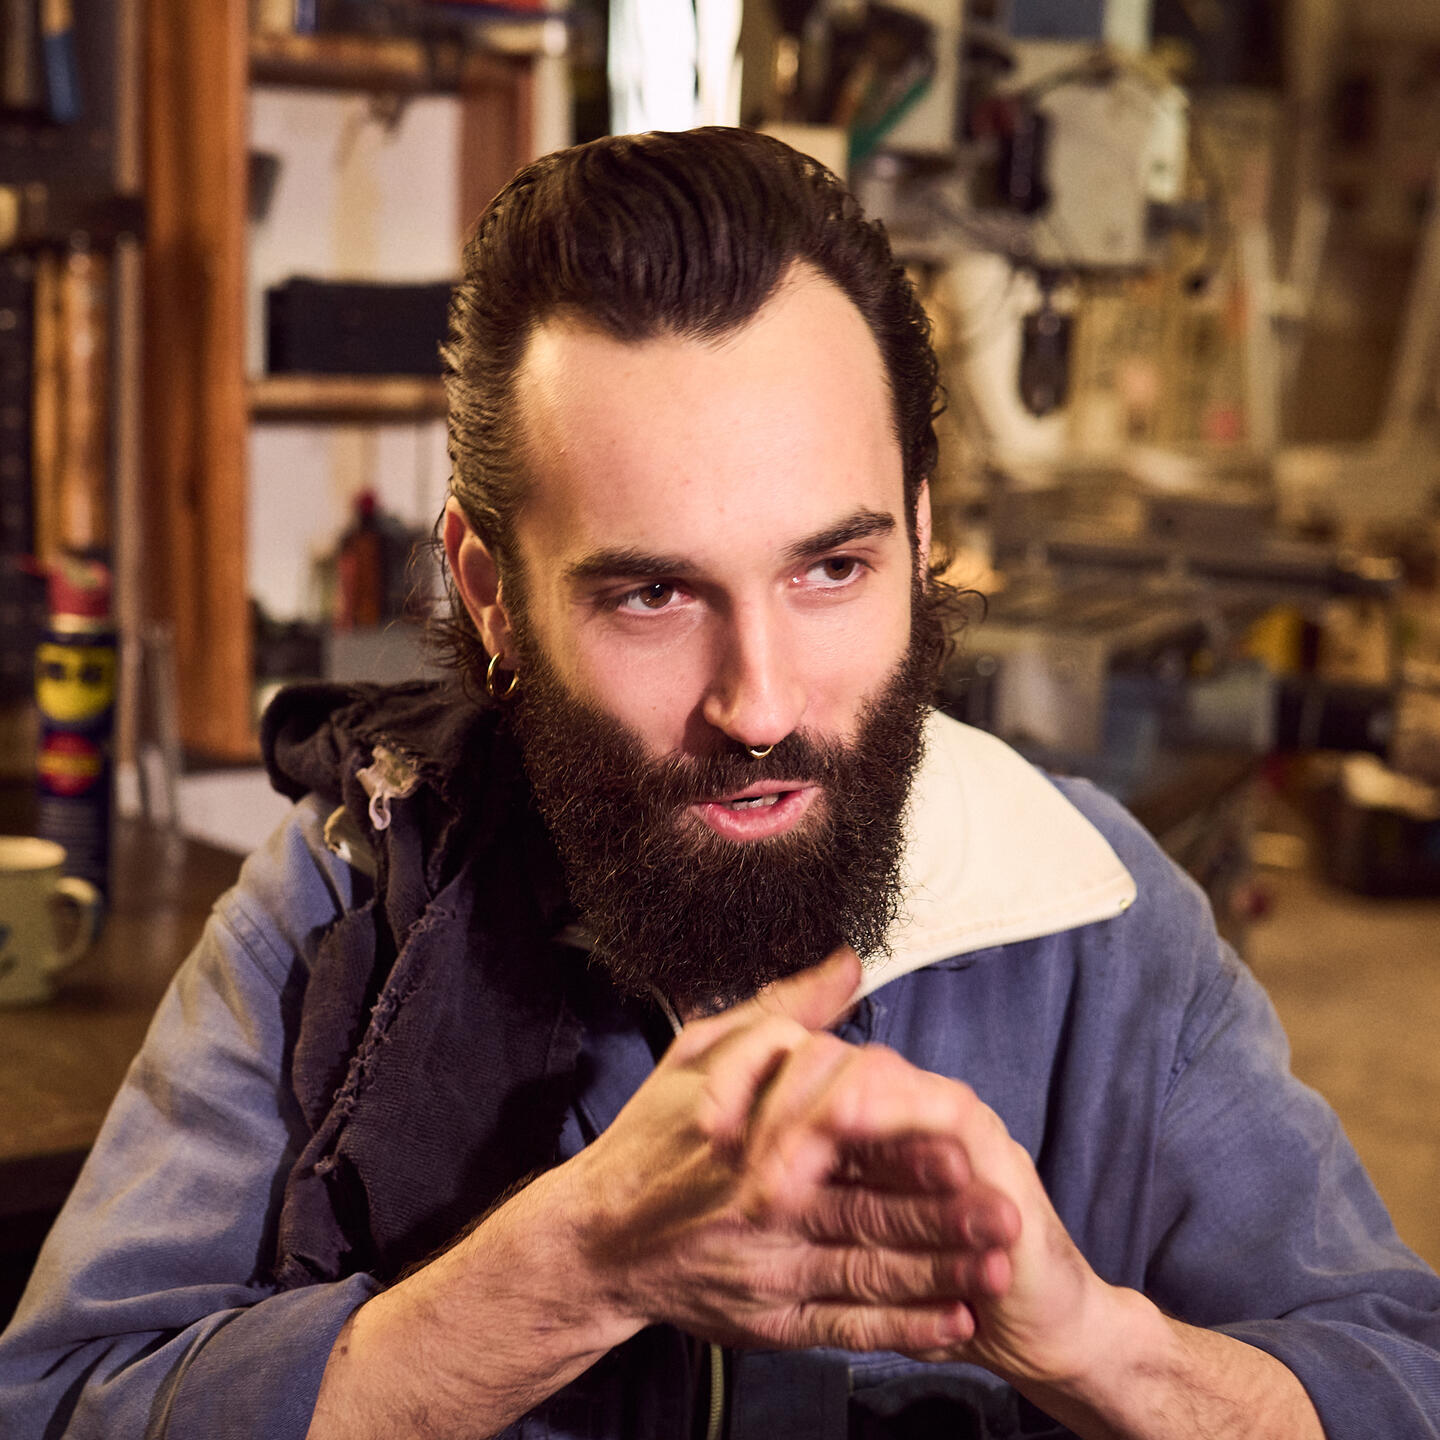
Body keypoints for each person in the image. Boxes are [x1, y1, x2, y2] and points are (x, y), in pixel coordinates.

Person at [2, 127, 1439, 1440]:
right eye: (651, 596)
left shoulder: (1099, 929)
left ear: (919, 537)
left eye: (833, 569)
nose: (760, 705)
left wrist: (1101, 1350)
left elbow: (1400, 1376)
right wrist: (567, 1271)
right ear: (492, 594)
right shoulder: (343, 909)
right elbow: (60, 1407)